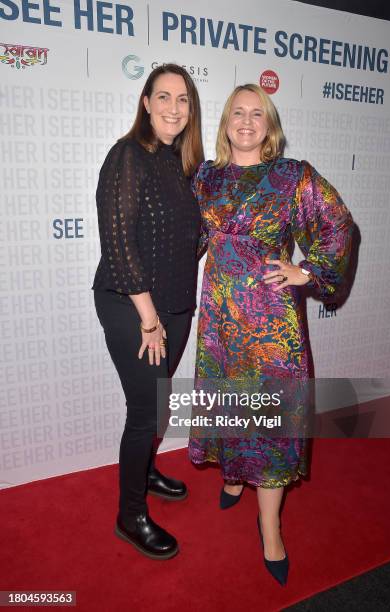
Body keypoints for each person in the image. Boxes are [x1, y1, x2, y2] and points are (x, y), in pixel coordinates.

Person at [188, 84, 353, 584]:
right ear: (225, 122)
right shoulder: (206, 178)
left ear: (270, 123)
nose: (245, 121)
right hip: (220, 318)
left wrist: (309, 272)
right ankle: (236, 476)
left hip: (270, 320)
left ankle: (270, 525)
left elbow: (338, 225)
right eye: (237, 112)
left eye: (256, 113)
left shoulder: (292, 177)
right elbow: (187, 237)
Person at [93, 64, 204, 560]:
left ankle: (147, 470)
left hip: (176, 305)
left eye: (183, 100)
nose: (173, 108)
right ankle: (129, 515)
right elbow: (118, 244)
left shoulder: (183, 165)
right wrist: (149, 317)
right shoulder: (127, 156)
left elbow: (189, 240)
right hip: (131, 304)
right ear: (146, 102)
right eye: (164, 97)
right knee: (144, 413)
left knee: (159, 402)